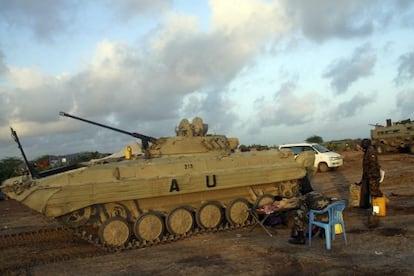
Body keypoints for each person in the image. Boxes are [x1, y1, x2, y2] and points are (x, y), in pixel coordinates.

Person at [358, 138, 383, 228]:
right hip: (369, 176)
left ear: (365, 144)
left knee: (374, 194)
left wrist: (370, 177)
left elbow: (372, 165)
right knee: (371, 193)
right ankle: (375, 209)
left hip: (373, 176)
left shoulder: (371, 151)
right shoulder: (367, 151)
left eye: (362, 145)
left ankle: (375, 213)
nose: (361, 147)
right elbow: (366, 167)